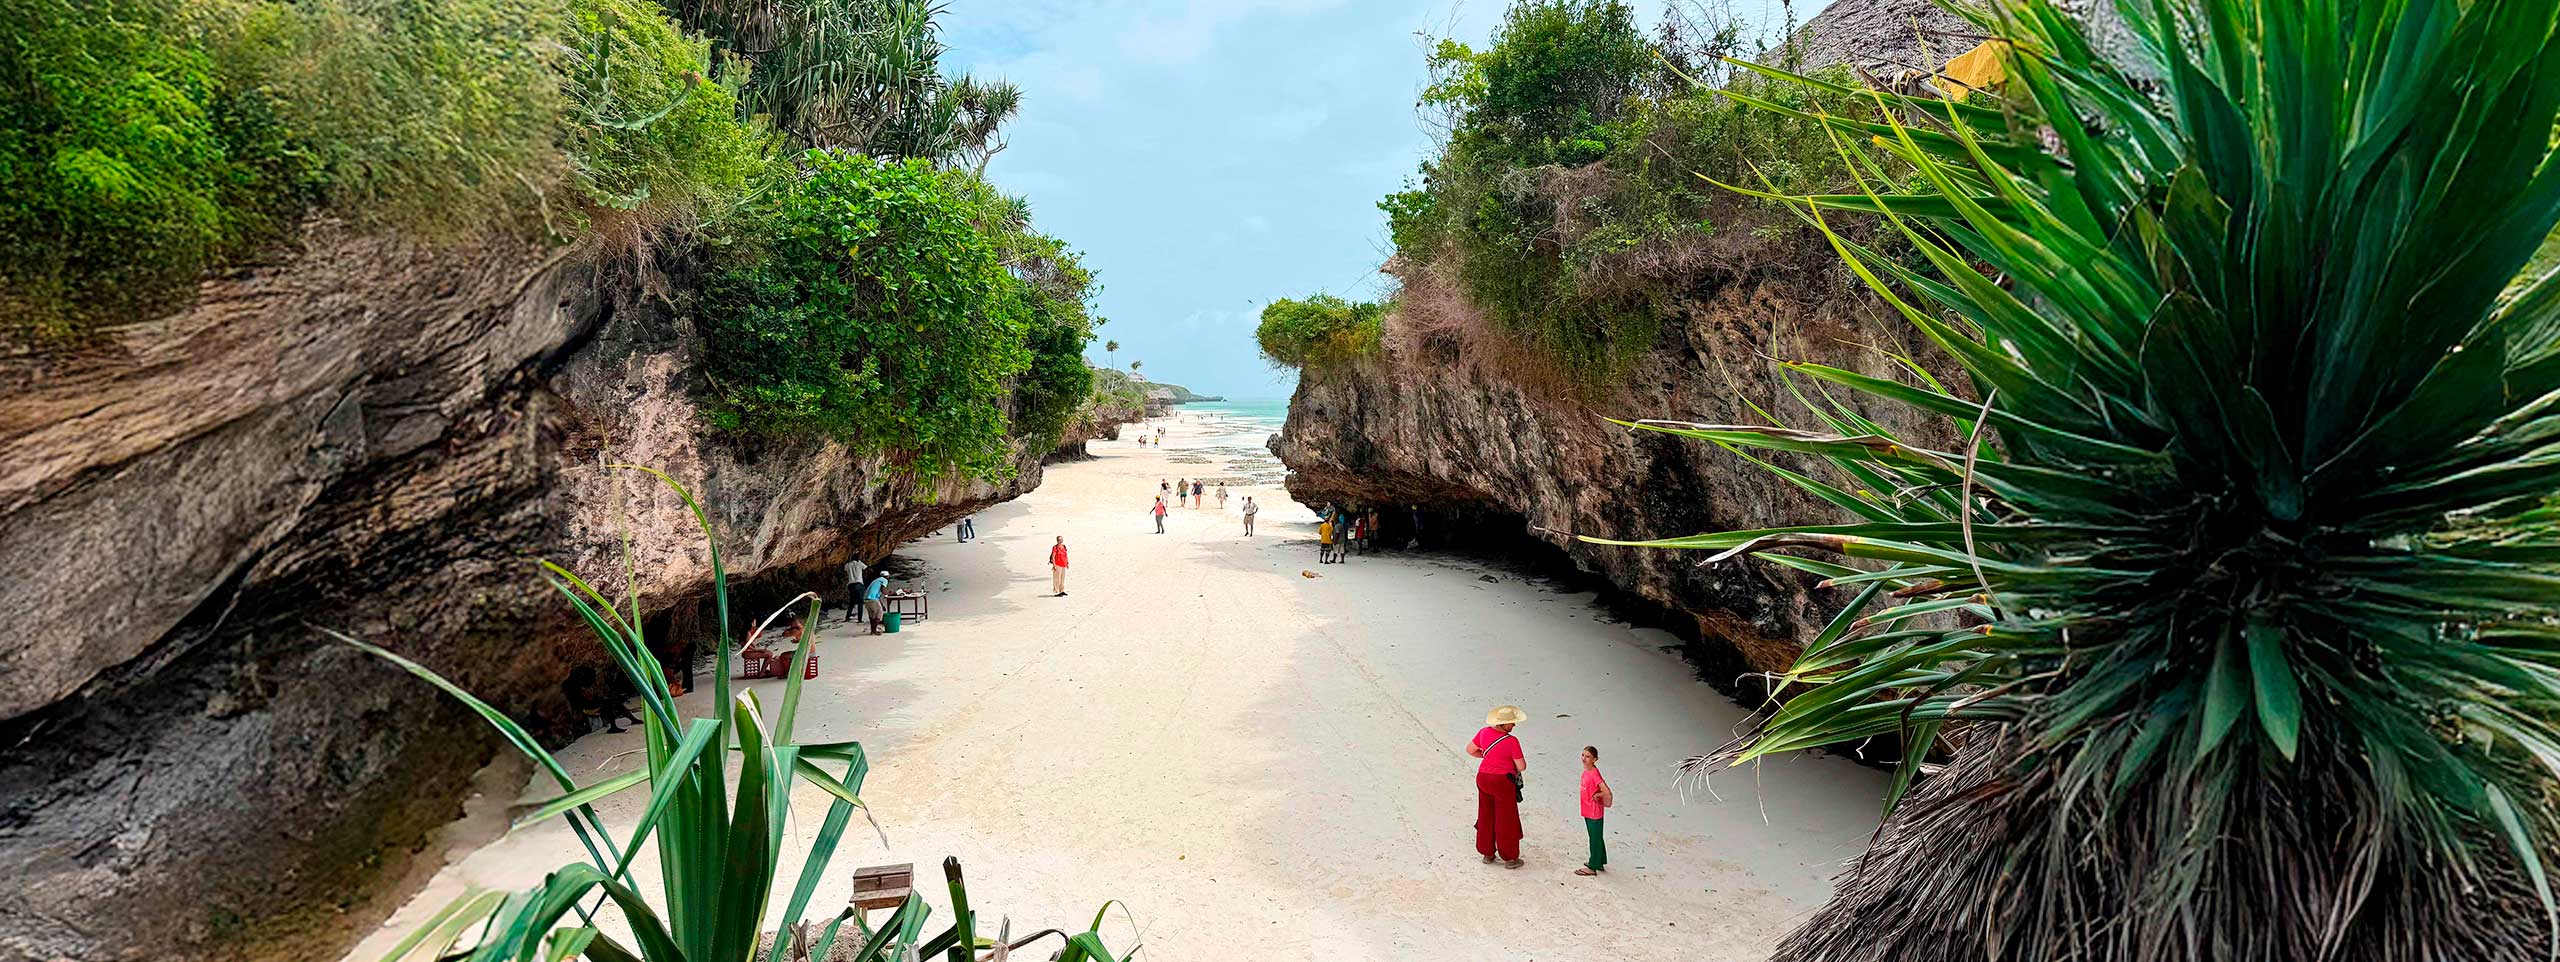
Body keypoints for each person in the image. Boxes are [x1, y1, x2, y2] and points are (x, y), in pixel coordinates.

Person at [1468, 705, 1528, 867]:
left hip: (1483, 778)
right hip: (1502, 781)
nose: (1514, 725)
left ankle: (1487, 853)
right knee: (1506, 818)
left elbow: (1470, 750)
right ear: (1504, 724)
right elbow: (1521, 766)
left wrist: (1488, 756)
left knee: (1486, 814)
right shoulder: (1512, 741)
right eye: (1512, 723)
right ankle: (1510, 857)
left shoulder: (1483, 732)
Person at [1576, 745, 1613, 876]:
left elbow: (1606, 790)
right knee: (1596, 837)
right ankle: (1600, 861)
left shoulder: (1594, 774)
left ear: (1595, 759)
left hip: (1593, 811)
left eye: (1588, 757)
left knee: (1594, 838)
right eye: (1583, 755)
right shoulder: (1587, 771)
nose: (1584, 759)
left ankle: (1593, 866)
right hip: (1588, 809)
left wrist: (1598, 795)